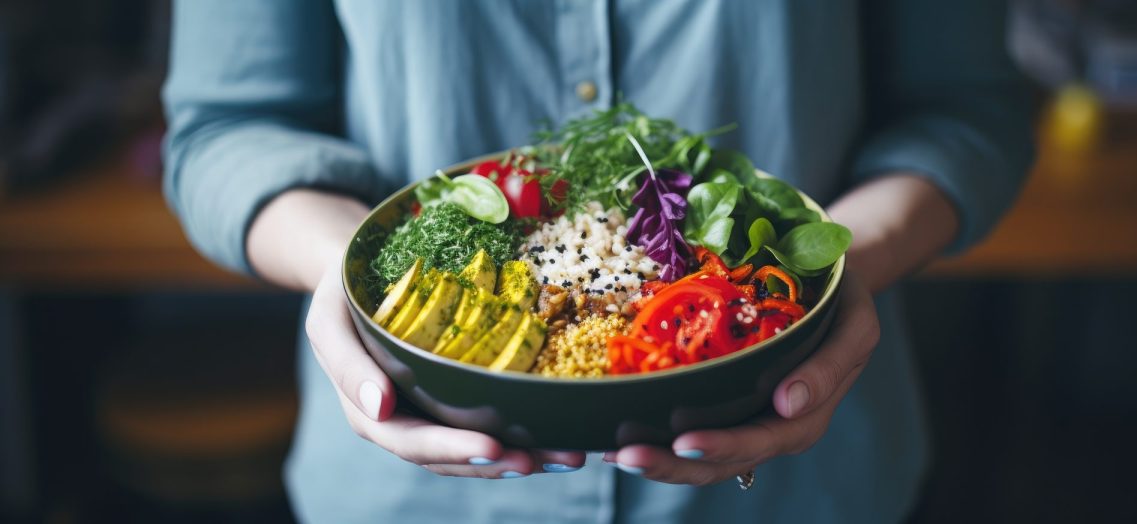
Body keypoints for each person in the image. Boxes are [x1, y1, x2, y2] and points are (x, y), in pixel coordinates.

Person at [163, 1, 1033, 522]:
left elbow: (967, 110)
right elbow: (221, 129)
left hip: (804, 488)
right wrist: (348, 274)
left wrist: (849, 268)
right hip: (414, 498)